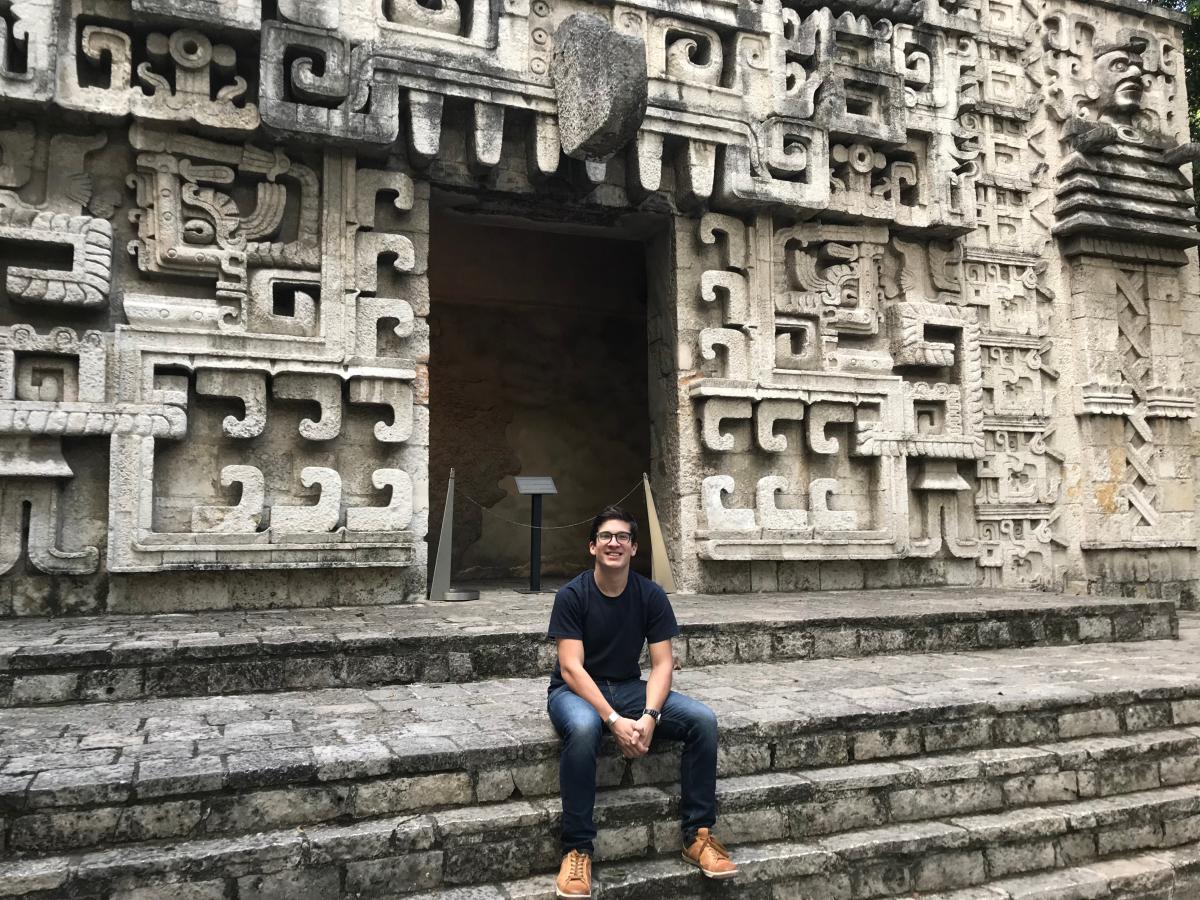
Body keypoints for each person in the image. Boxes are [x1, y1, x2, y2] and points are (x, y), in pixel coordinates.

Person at [546, 505, 737, 898]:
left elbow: (663, 664)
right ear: (592, 547)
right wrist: (614, 720)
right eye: (605, 537)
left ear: (634, 548)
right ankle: (577, 849)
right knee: (583, 729)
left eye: (622, 537)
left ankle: (698, 835)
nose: (613, 543)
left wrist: (649, 716)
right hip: (575, 691)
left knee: (702, 720)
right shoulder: (572, 595)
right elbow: (571, 669)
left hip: (630, 688)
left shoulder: (650, 595)